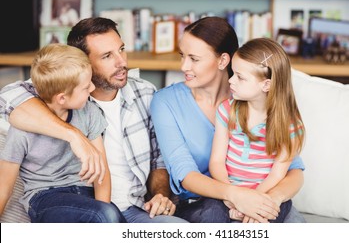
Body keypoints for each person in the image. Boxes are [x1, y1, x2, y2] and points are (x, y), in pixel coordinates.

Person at [0, 17, 186, 223]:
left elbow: (157, 160)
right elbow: (8, 97)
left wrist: (161, 194)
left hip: (132, 208)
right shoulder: (58, 89)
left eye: (121, 49)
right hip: (74, 205)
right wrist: (74, 136)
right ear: (83, 62)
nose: (122, 62)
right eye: (107, 56)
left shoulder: (145, 92)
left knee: (179, 229)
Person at [150, 16, 306, 223]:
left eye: (194, 59)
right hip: (205, 204)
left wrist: (267, 201)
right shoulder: (165, 102)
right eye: (182, 56)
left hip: (263, 198)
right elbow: (184, 174)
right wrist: (236, 196)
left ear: (223, 60)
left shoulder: (251, 94)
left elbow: (293, 171)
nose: (183, 66)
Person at [0, 44, 125, 223]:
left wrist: (104, 209)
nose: (91, 88)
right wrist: (104, 214)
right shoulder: (21, 129)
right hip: (45, 198)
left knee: (111, 217)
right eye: (85, 87)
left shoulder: (90, 112)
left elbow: (101, 174)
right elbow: (4, 188)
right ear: (62, 98)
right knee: (104, 215)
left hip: (86, 196)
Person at [209, 38, 305, 223]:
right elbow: (216, 161)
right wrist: (233, 198)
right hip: (229, 192)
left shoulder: (290, 125)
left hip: (266, 194)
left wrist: (254, 202)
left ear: (266, 85)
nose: (230, 80)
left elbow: (278, 174)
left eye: (240, 77)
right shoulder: (227, 111)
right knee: (209, 213)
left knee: (269, 216)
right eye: (233, 74)